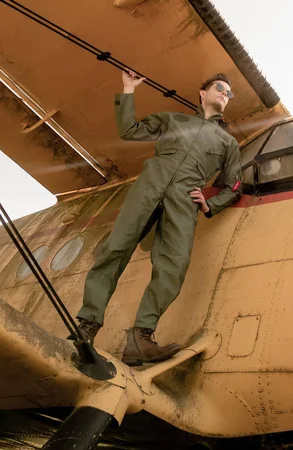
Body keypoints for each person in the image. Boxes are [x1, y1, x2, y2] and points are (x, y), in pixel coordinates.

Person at [70, 70, 242, 366]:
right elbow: (130, 131)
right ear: (202, 93)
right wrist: (127, 90)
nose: (225, 94)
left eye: (229, 93)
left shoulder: (228, 144)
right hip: (148, 187)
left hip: (183, 201)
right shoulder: (174, 120)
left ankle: (141, 338)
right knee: (115, 249)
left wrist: (210, 203)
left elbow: (234, 184)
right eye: (220, 88)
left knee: (174, 266)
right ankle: (87, 325)